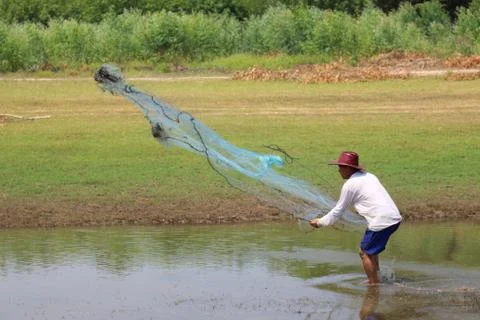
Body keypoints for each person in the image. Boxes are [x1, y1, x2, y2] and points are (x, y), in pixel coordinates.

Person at [309, 151, 402, 285]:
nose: (338, 170)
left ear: (347, 168)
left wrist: (320, 222)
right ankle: (377, 279)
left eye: (340, 167)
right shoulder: (369, 176)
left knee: (364, 252)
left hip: (381, 221)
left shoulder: (350, 185)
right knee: (371, 251)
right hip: (394, 218)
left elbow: (338, 211)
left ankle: (374, 285)